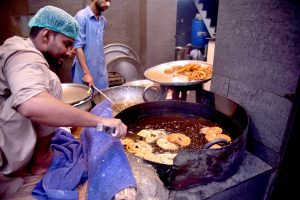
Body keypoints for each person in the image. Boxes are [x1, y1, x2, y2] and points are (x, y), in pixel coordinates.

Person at [0, 5, 136, 200]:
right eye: (66, 43)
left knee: (52, 82)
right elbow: (30, 104)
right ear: (46, 36)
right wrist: (100, 121)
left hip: (14, 149)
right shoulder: (21, 54)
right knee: (39, 95)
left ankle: (41, 159)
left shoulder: (35, 61)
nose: (70, 52)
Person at [72, 0, 111, 89]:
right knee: (86, 99)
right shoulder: (81, 17)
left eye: (110, 1)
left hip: (101, 72)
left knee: (102, 100)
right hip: (84, 72)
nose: (108, 4)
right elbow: (78, 47)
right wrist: (87, 73)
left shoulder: (103, 20)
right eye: (106, 0)